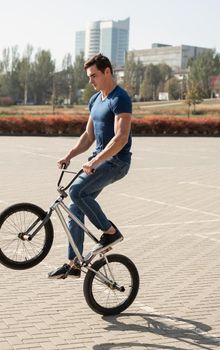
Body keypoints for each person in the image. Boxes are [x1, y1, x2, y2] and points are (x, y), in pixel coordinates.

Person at [48, 53, 133, 280]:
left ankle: (110, 232)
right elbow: (88, 136)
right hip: (98, 161)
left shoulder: (120, 99)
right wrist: (70, 155)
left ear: (107, 72)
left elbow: (121, 138)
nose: (91, 81)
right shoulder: (95, 100)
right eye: (88, 76)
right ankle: (73, 263)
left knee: (77, 192)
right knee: (75, 207)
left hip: (117, 161)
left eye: (94, 75)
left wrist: (96, 161)